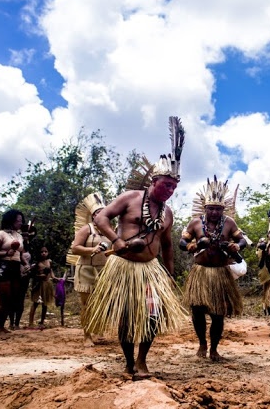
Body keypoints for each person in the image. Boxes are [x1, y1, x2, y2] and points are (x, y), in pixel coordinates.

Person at [83, 116, 189, 379]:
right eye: (166, 185)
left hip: (151, 271)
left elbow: (167, 245)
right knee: (128, 317)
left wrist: (170, 272)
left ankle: (143, 362)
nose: (170, 190)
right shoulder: (130, 198)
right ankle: (129, 362)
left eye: (174, 187)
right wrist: (117, 241)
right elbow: (100, 217)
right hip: (124, 267)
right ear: (154, 182)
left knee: (152, 317)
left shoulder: (168, 213)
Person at [179, 176, 245, 361]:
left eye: (218, 209)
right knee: (197, 311)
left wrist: (237, 246)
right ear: (205, 208)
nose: (214, 212)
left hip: (220, 274)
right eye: (211, 209)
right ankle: (202, 343)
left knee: (218, 314)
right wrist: (193, 246)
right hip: (200, 273)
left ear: (223, 209)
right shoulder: (195, 223)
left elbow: (241, 240)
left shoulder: (230, 223)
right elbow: (182, 242)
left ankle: (214, 349)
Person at [69, 193, 110, 346]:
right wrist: (92, 250)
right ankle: (87, 336)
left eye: (104, 213)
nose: (102, 215)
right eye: (98, 213)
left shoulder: (109, 230)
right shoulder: (87, 229)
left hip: (103, 271)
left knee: (101, 303)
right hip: (86, 269)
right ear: (93, 216)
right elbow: (75, 248)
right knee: (87, 304)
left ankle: (99, 330)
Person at [0, 209, 26, 339]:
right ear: (11, 221)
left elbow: (20, 253)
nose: (20, 223)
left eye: (21, 221)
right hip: (3, 267)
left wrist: (25, 263)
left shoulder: (19, 235)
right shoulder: (0, 234)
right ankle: (0, 328)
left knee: (12, 299)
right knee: (4, 299)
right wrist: (6, 253)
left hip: (15, 267)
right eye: (18, 221)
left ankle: (4, 327)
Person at [28, 246, 57, 328]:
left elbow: (51, 271)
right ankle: (30, 323)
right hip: (39, 284)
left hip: (47, 284)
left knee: (45, 304)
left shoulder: (49, 261)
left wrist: (54, 277)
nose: (44, 253)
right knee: (36, 303)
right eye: (42, 252)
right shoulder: (36, 264)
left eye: (45, 251)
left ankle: (42, 322)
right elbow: (33, 275)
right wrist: (41, 275)